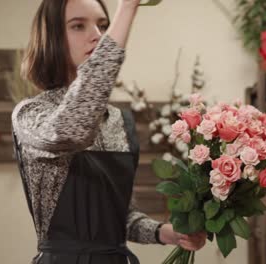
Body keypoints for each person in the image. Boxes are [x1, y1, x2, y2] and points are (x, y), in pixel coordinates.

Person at [11, 0, 206, 263]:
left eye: (103, 25)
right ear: (51, 38)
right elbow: (72, 129)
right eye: (78, 26)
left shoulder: (120, 121)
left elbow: (119, 217)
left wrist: (164, 232)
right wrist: (127, 9)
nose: (97, 35)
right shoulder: (31, 114)